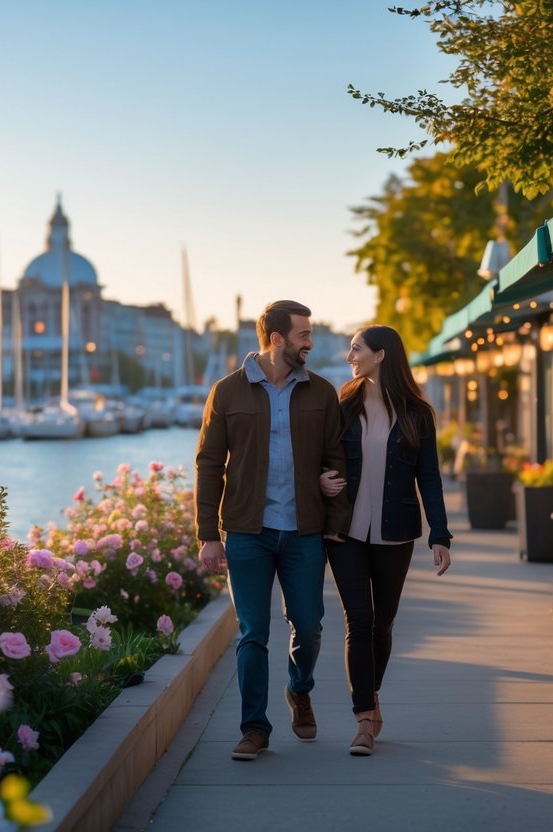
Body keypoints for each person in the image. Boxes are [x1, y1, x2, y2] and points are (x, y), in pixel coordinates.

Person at [195, 299, 349, 761]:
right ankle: (254, 729)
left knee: (310, 625)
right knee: (252, 633)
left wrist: (334, 518)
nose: (311, 342)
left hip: (303, 532)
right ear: (277, 339)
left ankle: (299, 689)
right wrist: (208, 534)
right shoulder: (227, 392)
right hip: (247, 532)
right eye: (304, 335)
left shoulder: (321, 392)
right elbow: (208, 464)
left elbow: (336, 460)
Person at [319, 324, 452, 756]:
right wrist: (320, 479)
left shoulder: (418, 414)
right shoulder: (341, 407)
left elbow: (429, 478)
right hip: (345, 534)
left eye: (356, 349)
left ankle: (370, 695)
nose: (349, 356)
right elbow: (317, 459)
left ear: (380, 355)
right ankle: (363, 720)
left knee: (382, 625)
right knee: (358, 621)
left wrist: (440, 533)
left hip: (396, 535)